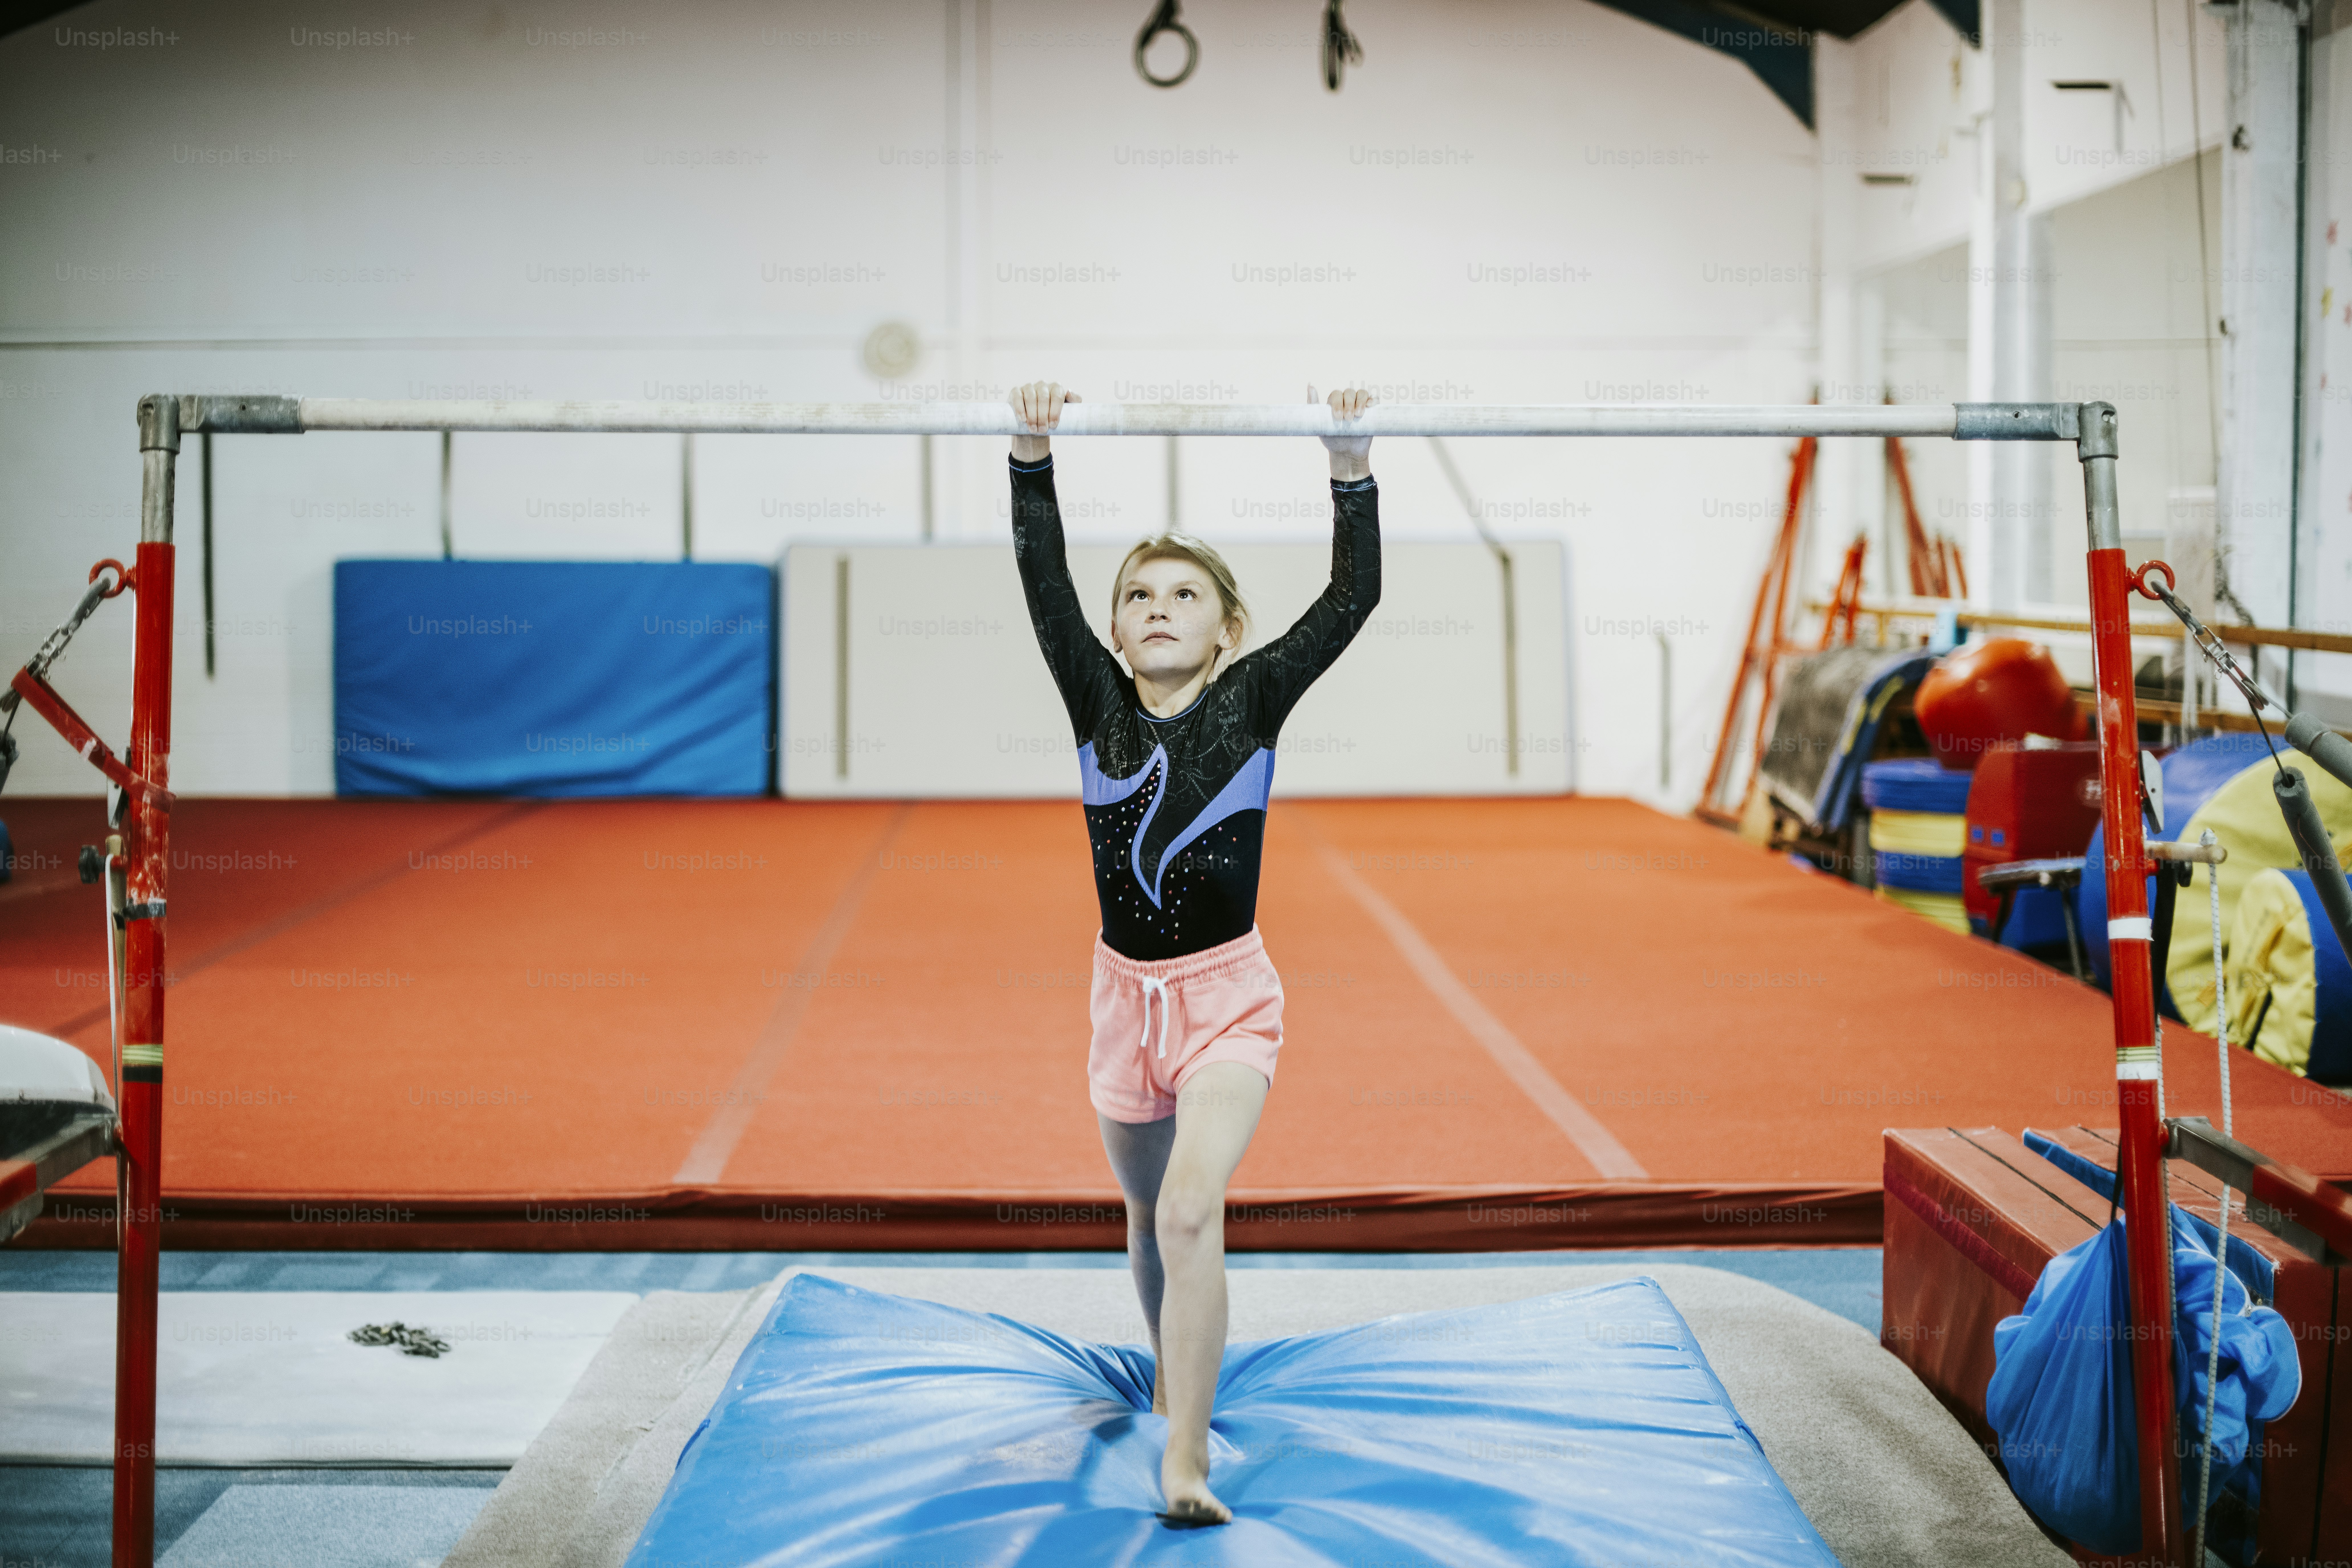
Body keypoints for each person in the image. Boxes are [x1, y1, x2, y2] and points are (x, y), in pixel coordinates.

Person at [1005, 379, 1380, 1525]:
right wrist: (1031, 452)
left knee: (1188, 1205)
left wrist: (1349, 462)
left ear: (1228, 629)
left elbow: (1353, 594)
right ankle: (1173, 1370)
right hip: (1123, 1002)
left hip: (1227, 1001)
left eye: (1186, 594)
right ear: (1114, 630)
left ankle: (1184, 1458)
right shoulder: (1093, 700)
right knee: (1143, 1215)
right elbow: (1040, 574)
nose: (1158, 607)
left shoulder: (1255, 698)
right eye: (1138, 596)